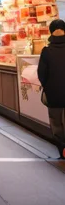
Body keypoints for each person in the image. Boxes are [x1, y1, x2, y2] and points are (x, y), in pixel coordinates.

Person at [38, 19, 65, 158]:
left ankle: (62, 149)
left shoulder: (46, 51)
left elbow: (41, 74)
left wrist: (48, 86)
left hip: (53, 95)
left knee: (56, 122)